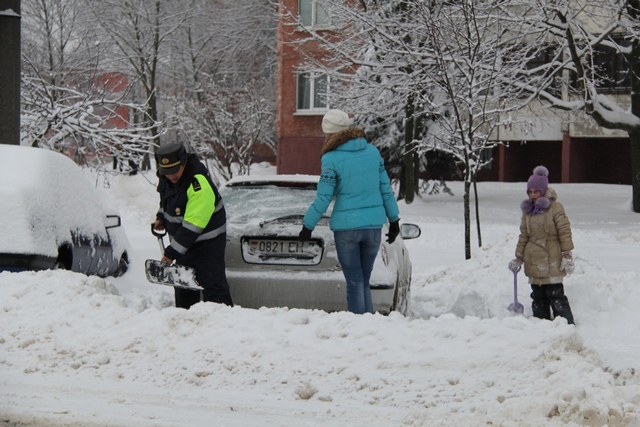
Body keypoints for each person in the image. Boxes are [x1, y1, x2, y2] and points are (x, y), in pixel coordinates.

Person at [299, 109, 401, 314]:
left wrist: (307, 226)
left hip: (347, 230)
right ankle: (368, 326)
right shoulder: (372, 152)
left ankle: (358, 328)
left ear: (329, 134)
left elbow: (324, 197)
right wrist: (394, 220)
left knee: (354, 282)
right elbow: (385, 190)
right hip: (373, 228)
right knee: (364, 281)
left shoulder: (331, 158)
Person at [153, 143, 233, 309]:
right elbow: (167, 201)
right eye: (166, 172)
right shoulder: (167, 178)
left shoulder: (198, 185)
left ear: (183, 163)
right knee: (183, 287)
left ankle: (222, 325)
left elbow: (193, 226)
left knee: (213, 289)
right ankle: (185, 324)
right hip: (184, 247)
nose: (171, 176)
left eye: (174, 171)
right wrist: (161, 217)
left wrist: (170, 254)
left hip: (207, 246)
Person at [508, 165, 575, 324]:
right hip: (533, 260)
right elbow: (524, 234)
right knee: (538, 296)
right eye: (530, 192)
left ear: (543, 191)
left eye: (536, 191)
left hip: (551, 258)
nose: (532, 195)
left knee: (555, 294)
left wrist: (567, 252)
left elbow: (564, 230)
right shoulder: (527, 212)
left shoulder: (555, 208)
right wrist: (519, 256)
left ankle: (566, 326)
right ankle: (541, 324)